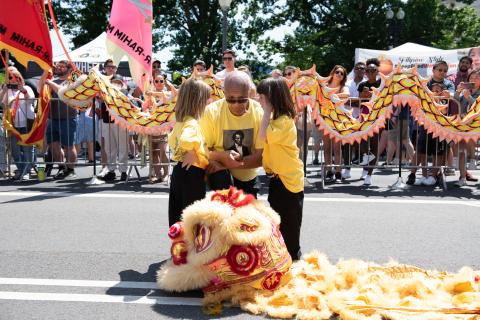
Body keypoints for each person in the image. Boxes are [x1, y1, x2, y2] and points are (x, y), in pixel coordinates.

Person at [257, 77, 304, 261]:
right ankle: (282, 259)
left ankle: (294, 259)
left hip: (289, 179)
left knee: (290, 227)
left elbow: (262, 136)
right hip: (277, 178)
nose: (259, 101)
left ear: (272, 98)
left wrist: (267, 111)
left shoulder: (284, 120)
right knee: (277, 223)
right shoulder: (277, 119)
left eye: (262, 97)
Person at [199, 71, 264, 198]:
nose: (236, 105)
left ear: (250, 92)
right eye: (231, 100)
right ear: (224, 92)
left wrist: (223, 163)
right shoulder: (211, 112)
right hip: (219, 175)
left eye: (242, 100)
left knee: (247, 214)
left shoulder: (259, 112)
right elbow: (201, 151)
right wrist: (222, 156)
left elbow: (261, 157)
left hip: (247, 175)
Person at [168, 78, 211, 226]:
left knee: (177, 221)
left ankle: (180, 249)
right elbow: (186, 140)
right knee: (192, 224)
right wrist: (192, 150)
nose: (208, 102)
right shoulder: (192, 123)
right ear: (197, 101)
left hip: (179, 172)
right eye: (205, 99)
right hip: (192, 175)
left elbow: (172, 141)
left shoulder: (180, 121)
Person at [407, 61, 453, 186]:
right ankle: (412, 173)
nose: (442, 72)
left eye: (445, 70)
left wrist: (449, 95)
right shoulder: (425, 82)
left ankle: (433, 176)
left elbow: (453, 95)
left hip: (441, 122)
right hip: (425, 122)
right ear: (433, 70)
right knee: (421, 150)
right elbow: (416, 94)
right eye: (440, 70)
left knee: (439, 151)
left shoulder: (448, 84)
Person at [41, 60, 78, 179]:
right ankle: (62, 167)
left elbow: (63, 92)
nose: (59, 68)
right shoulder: (52, 81)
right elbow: (40, 89)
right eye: (58, 66)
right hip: (53, 119)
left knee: (68, 146)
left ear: (69, 69)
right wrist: (45, 73)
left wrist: (50, 83)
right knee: (53, 145)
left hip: (68, 118)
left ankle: (70, 169)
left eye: (62, 66)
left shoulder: (73, 81)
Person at [0, 67, 36, 181]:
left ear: (20, 78)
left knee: (26, 148)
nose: (13, 79)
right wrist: (4, 91)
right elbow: (1, 103)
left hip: (26, 122)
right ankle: (21, 169)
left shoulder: (27, 88)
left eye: (16, 77)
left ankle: (26, 171)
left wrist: (23, 91)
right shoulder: (6, 89)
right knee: (15, 150)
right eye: (10, 77)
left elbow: (31, 100)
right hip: (13, 124)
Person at [144, 72, 177, 183]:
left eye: (161, 81)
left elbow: (166, 98)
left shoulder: (167, 93)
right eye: (156, 81)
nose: (158, 83)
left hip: (163, 128)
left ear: (164, 82)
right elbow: (145, 108)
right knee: (154, 153)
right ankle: (158, 174)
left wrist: (152, 93)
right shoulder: (149, 96)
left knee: (162, 152)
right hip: (152, 128)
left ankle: (166, 174)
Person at [97, 74, 130, 182]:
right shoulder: (105, 91)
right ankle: (111, 171)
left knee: (122, 147)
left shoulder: (123, 92)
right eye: (113, 82)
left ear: (121, 84)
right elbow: (99, 99)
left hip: (120, 123)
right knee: (109, 148)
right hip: (107, 121)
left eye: (118, 82)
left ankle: (123, 171)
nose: (115, 84)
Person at [357, 60, 383, 185]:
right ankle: (366, 164)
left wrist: (373, 94)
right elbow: (358, 101)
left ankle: (369, 174)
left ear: (377, 72)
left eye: (373, 70)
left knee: (374, 144)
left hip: (377, 116)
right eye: (368, 70)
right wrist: (363, 95)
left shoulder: (382, 83)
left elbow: (385, 99)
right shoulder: (362, 85)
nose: (370, 72)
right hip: (364, 115)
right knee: (361, 141)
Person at [453, 68, 480, 186]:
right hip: (463, 124)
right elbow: (455, 101)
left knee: (468, 144)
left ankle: (473, 159)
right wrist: (458, 92)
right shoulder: (465, 90)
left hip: (476, 126)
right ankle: (462, 177)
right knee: (461, 149)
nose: (473, 80)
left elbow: (477, 106)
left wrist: (469, 97)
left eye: (476, 78)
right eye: (471, 78)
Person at [324, 65, 350, 182]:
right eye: (337, 72)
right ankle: (329, 171)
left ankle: (338, 172)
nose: (339, 74)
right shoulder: (325, 85)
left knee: (337, 148)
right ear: (333, 73)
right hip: (325, 119)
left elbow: (346, 95)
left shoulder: (343, 87)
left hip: (338, 121)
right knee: (327, 148)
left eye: (342, 73)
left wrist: (331, 96)